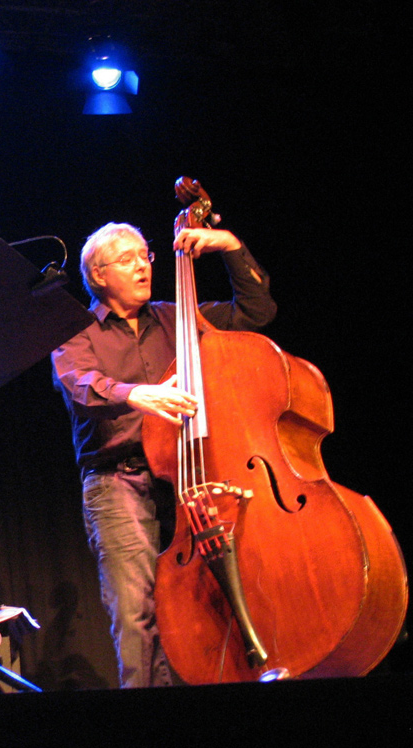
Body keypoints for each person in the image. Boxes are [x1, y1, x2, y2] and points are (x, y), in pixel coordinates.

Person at [51, 222, 275, 688]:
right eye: (128, 258)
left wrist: (231, 246)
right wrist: (136, 394)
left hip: (188, 479)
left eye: (146, 255)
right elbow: (79, 384)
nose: (143, 265)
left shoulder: (178, 317)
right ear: (98, 273)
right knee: (137, 612)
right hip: (119, 483)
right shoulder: (76, 332)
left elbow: (256, 312)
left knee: (209, 597)